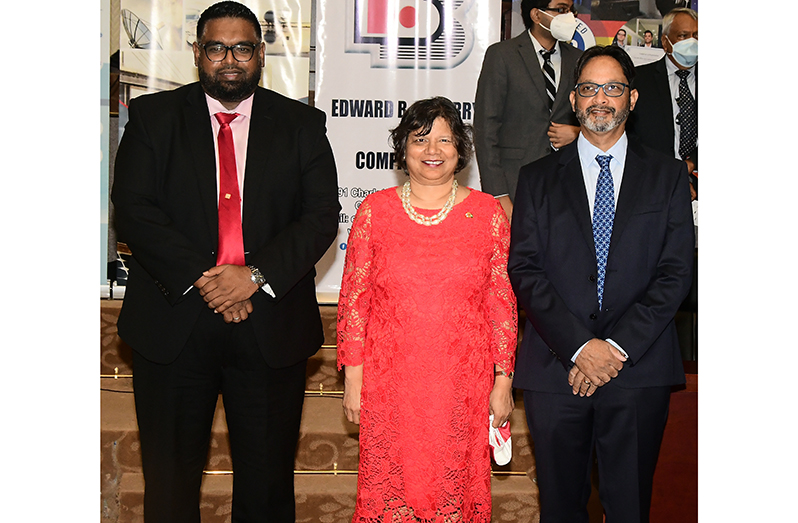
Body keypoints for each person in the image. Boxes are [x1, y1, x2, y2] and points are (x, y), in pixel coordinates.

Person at [111, 2, 340, 521]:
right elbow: (134, 210)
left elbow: (320, 215)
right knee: (169, 485)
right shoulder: (153, 119)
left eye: (242, 48)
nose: (229, 59)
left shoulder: (301, 124)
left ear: (260, 54)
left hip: (268, 327)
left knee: (266, 486)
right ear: (198, 53)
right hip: (173, 325)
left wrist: (253, 278)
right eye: (217, 48)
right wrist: (210, 280)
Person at [508, 45, 694, 522]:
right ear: (573, 99)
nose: (600, 99)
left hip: (639, 369)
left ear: (632, 99)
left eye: (613, 88)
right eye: (589, 88)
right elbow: (525, 269)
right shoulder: (536, 178)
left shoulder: (668, 176)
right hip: (556, 369)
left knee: (630, 508)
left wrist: (612, 347)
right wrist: (580, 347)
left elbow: (675, 272)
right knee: (561, 508)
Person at [337, 97, 518, 522]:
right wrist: (353, 379)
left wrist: (503, 380)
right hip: (390, 385)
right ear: (403, 149)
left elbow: (501, 302)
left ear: (460, 150)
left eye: (444, 140)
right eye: (420, 140)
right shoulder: (374, 212)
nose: (432, 150)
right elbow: (355, 300)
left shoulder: (488, 213)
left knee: (453, 497)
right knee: (393, 495)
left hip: (462, 387)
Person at [474, 0, 582, 221]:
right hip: (515, 183)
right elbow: (486, 129)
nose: (569, 16)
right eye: (561, 10)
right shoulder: (503, 55)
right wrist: (499, 194)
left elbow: (595, 117)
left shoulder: (579, 59)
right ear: (536, 14)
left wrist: (579, 133)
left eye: (571, 10)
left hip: (567, 185)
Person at [627, 7, 698, 198]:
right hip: (654, 185)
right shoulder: (640, 80)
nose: (692, 42)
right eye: (683, 36)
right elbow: (630, 139)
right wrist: (672, 174)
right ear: (666, 43)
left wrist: (692, 163)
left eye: (696, 35)